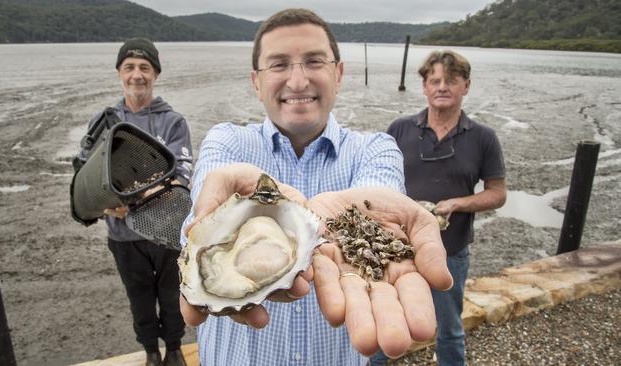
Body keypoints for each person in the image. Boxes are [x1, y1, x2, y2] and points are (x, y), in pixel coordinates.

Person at [179, 9, 453, 366]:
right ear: (255, 81)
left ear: (338, 74)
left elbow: (379, 191)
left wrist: (368, 224)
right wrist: (200, 224)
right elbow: (199, 221)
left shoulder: (375, 148)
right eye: (278, 65)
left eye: (314, 61)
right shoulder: (227, 142)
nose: (297, 81)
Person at [370, 50, 507, 366]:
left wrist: (458, 203)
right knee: (385, 318)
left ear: (466, 86)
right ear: (425, 87)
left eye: (451, 80)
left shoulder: (484, 138)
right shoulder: (400, 129)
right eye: (435, 80)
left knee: (450, 330)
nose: (442, 87)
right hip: (397, 248)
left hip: (451, 251)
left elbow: (497, 194)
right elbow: (377, 181)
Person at [75, 38, 193, 366]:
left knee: (172, 296)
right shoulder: (104, 121)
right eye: (129, 67)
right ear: (119, 74)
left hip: (168, 231)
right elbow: (86, 174)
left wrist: (135, 201)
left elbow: (181, 176)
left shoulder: (173, 122)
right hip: (123, 236)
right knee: (139, 298)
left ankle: (173, 347)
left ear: (155, 74)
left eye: (144, 67)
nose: (137, 74)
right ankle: (151, 351)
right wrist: (101, 205)